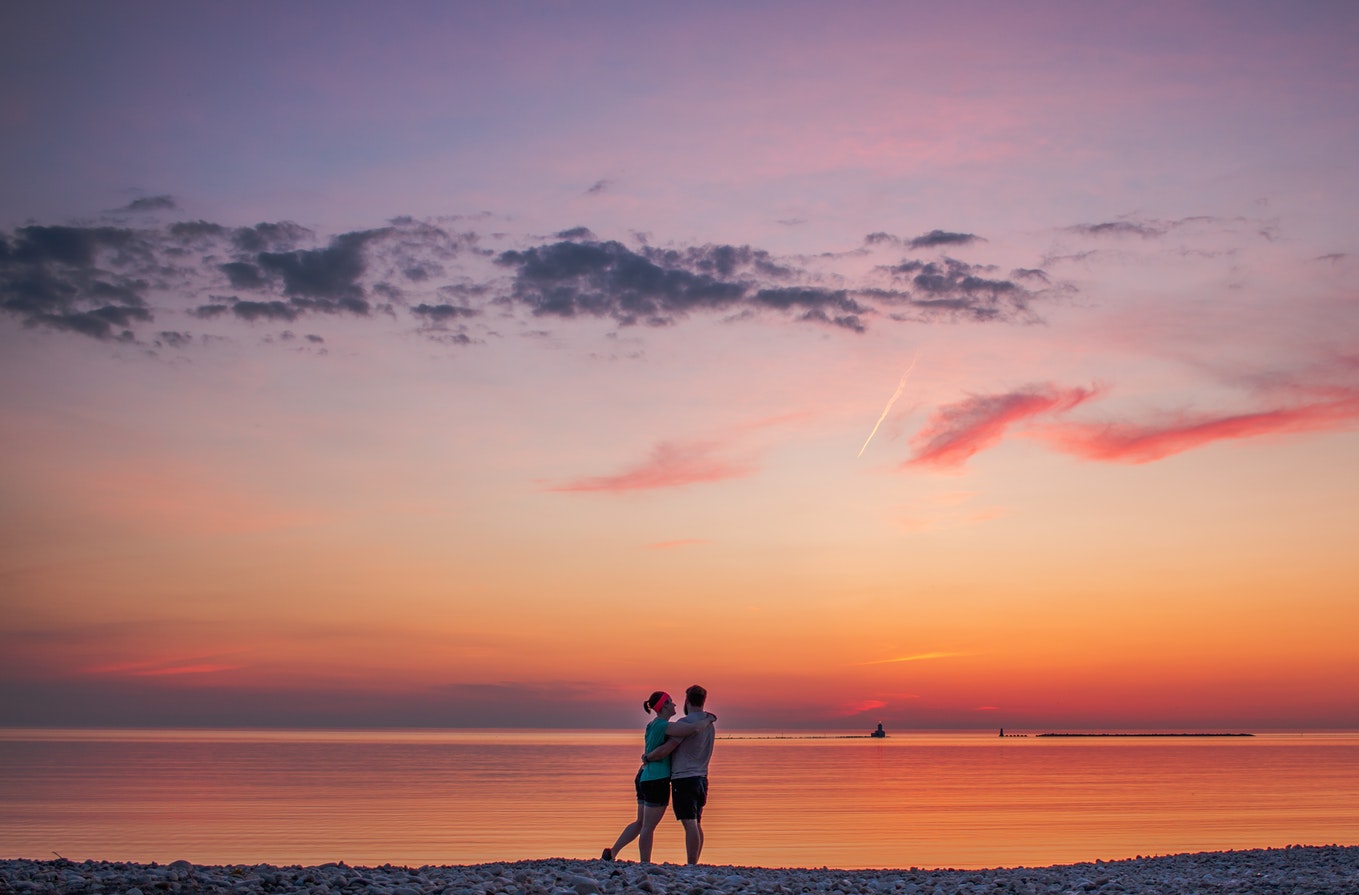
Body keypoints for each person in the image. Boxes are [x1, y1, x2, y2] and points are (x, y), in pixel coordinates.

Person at [642, 684, 716, 865]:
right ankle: (694, 862)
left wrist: (648, 756)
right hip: (702, 777)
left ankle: (691, 864)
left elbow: (667, 749)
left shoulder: (685, 724)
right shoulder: (710, 725)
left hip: (684, 778)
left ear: (688, 701)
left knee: (689, 823)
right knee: (696, 822)